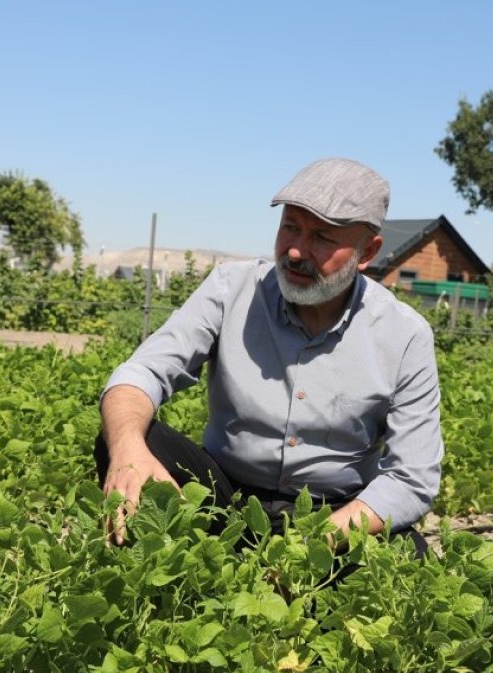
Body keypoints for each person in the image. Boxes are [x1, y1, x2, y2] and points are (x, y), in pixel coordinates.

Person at [95, 158, 443, 553]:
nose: (295, 251)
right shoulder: (232, 289)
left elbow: (412, 476)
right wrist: (127, 450)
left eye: (322, 238)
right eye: (290, 227)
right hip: (221, 499)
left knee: (405, 555)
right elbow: (141, 373)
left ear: (367, 252)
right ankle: (155, 584)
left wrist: (312, 545)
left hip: (333, 513)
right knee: (130, 437)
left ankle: (284, 587)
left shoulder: (404, 334)